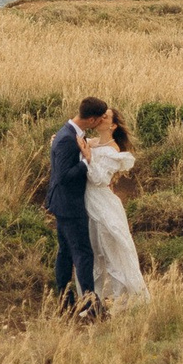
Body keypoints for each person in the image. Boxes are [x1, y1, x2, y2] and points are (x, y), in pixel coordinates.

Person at [43, 96, 108, 314]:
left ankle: (65, 300)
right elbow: (63, 176)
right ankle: (89, 304)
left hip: (64, 203)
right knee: (82, 252)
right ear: (91, 119)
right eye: (99, 120)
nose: (99, 124)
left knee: (66, 253)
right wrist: (86, 162)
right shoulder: (66, 139)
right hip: (69, 204)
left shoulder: (72, 135)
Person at [82, 117, 149, 305]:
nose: (100, 118)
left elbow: (99, 179)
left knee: (112, 250)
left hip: (103, 203)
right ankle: (93, 300)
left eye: (105, 117)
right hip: (87, 202)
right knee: (93, 252)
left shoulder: (113, 150)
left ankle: (122, 302)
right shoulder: (92, 142)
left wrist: (88, 158)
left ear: (112, 126)